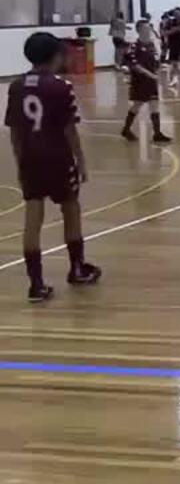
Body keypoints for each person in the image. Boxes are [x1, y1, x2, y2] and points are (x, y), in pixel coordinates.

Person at [5, 32, 99, 302]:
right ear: (55, 56)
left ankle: (36, 285)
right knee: (71, 208)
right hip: (58, 158)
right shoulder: (60, 87)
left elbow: (14, 132)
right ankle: (77, 268)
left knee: (32, 219)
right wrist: (81, 161)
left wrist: (20, 162)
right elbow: (70, 131)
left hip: (30, 160)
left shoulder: (16, 86)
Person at [121, 20, 172, 145]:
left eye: (149, 28)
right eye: (145, 29)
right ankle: (126, 129)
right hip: (140, 81)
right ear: (139, 30)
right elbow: (134, 64)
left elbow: (156, 62)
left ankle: (157, 133)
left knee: (154, 104)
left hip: (152, 80)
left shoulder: (151, 45)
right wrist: (149, 74)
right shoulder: (134, 46)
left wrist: (159, 70)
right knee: (137, 104)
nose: (148, 31)